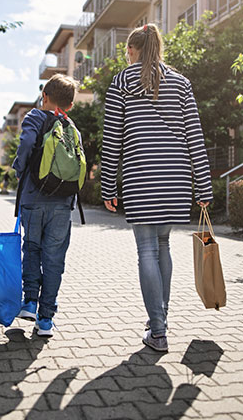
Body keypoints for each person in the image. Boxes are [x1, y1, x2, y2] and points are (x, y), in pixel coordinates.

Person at [101, 23, 213, 352]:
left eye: (127, 51)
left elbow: (113, 139)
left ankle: (159, 330)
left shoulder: (122, 81)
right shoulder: (181, 83)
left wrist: (109, 185)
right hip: (176, 179)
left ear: (133, 50)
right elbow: (195, 136)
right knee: (162, 246)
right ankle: (158, 320)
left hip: (140, 177)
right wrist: (203, 188)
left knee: (146, 250)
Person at [12, 74, 81, 337]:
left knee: (31, 248)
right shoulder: (71, 126)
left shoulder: (35, 117)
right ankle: (46, 320)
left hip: (33, 198)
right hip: (63, 203)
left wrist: (20, 169)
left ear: (45, 96)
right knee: (54, 259)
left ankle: (29, 302)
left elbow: (27, 144)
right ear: (70, 104)